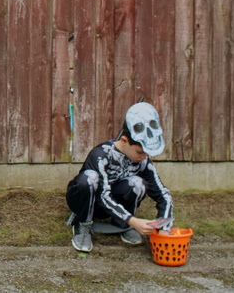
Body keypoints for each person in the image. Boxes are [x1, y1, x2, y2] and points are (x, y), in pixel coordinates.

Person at [65, 102, 173, 252]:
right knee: (89, 178)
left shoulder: (142, 161)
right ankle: (83, 224)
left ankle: (122, 225)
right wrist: (133, 220)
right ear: (124, 141)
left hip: (109, 207)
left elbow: (163, 194)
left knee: (138, 183)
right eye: (139, 152)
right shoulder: (100, 155)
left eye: (146, 153)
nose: (144, 157)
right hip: (86, 200)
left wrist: (164, 227)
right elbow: (102, 196)